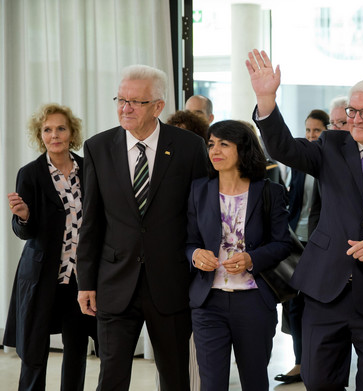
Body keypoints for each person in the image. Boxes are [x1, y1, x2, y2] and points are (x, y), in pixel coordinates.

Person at [246, 49, 363, 391]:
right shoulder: (331, 144)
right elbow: (284, 148)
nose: (356, 118)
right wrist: (266, 100)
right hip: (325, 289)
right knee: (319, 381)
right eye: (352, 111)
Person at [76, 64, 208, 391]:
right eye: (121, 99)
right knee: (112, 378)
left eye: (136, 101)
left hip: (171, 283)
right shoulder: (97, 147)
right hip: (115, 282)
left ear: (158, 107)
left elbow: (202, 217)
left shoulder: (189, 147)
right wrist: (86, 282)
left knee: (175, 377)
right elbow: (91, 221)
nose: (125, 108)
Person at [186, 120, 292, 391]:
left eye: (224, 144)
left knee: (254, 381)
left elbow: (283, 244)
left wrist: (251, 258)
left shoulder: (270, 192)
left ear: (243, 149)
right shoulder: (198, 190)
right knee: (211, 383)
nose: (214, 150)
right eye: (211, 144)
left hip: (255, 301)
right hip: (208, 302)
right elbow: (187, 242)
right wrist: (195, 253)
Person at [4, 103, 97, 391]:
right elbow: (24, 231)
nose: (54, 135)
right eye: (47, 129)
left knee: (76, 348)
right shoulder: (30, 173)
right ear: (40, 135)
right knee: (33, 350)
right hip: (43, 276)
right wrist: (24, 217)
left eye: (60, 128)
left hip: (80, 279)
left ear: (72, 133)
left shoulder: (88, 168)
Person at [275, 109, 329, 385]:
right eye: (308, 130)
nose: (310, 136)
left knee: (314, 304)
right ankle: (299, 362)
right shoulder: (298, 163)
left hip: (320, 242)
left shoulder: (330, 162)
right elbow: (291, 200)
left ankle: (315, 362)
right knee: (294, 304)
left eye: (316, 131)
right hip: (296, 239)